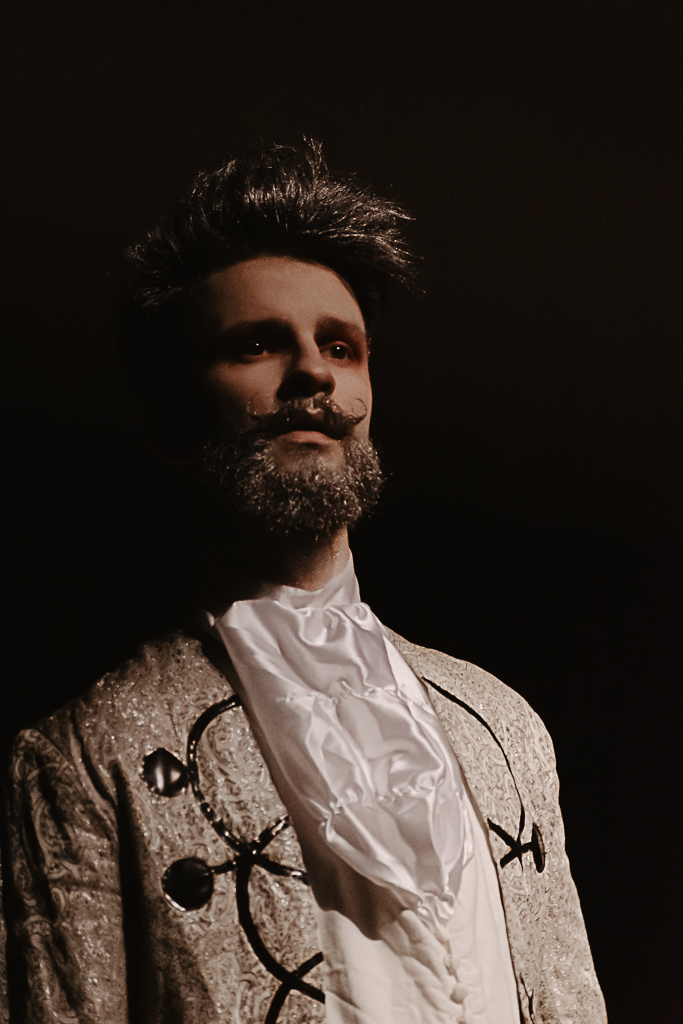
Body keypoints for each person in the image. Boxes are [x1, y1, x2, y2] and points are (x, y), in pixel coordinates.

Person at [1, 141, 606, 1024]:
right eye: (256, 344)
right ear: (171, 419)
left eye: (340, 347)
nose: (314, 373)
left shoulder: (501, 726)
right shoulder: (88, 759)